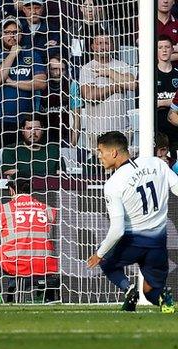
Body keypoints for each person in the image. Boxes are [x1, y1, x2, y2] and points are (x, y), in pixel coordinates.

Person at [87, 131, 178, 313]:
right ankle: (164, 297)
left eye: (100, 151)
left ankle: (128, 289)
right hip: (158, 244)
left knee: (106, 261)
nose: (98, 156)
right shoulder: (156, 163)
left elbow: (118, 230)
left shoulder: (113, 184)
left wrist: (100, 253)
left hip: (132, 242)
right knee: (151, 293)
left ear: (113, 153)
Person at [0, 178, 59, 303]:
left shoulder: (5, 209)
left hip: (17, 264)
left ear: (12, 190)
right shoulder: (48, 210)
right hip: (45, 264)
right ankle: (43, 292)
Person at [0, 17, 47, 149]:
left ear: (21, 33)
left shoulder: (32, 55)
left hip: (26, 123)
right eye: (7, 32)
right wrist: (12, 54)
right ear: (1, 35)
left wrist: (12, 83)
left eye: (15, 32)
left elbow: (41, 83)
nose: (11, 35)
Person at [79, 32, 137, 151]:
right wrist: (115, 87)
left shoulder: (122, 65)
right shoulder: (87, 68)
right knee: (100, 168)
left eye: (106, 43)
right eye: (99, 43)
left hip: (122, 130)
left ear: (112, 46)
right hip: (97, 131)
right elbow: (90, 96)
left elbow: (131, 84)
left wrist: (109, 72)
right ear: (93, 47)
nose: (103, 46)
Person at [157, 36, 178, 154]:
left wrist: (161, 102)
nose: (164, 50)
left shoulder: (177, 74)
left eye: (167, 47)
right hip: (157, 131)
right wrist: (172, 101)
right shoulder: (149, 74)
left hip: (175, 130)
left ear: (172, 50)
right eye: (160, 47)